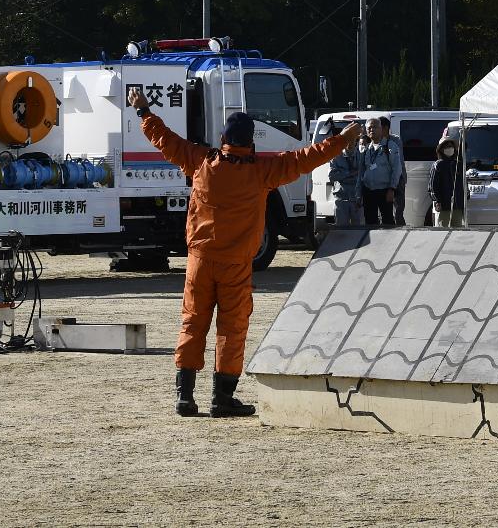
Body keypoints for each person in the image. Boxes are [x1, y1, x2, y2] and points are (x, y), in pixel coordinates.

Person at [127, 86, 358, 418]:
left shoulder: (202, 161)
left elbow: (166, 140)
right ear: (250, 142)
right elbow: (307, 158)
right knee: (232, 330)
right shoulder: (262, 169)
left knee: (192, 324)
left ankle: (184, 397)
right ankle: (222, 398)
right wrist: (342, 140)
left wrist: (144, 111)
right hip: (235, 265)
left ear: (223, 137)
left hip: (200, 261)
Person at [357, 117, 405, 228]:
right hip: (368, 190)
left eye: (375, 127)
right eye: (369, 128)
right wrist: (358, 194)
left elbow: (397, 169)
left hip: (385, 191)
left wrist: (392, 189)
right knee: (370, 223)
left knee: (388, 222)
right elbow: (361, 172)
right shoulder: (366, 149)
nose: (371, 130)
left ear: (381, 129)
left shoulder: (390, 146)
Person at [326, 131, 363, 228]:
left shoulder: (362, 156)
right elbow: (332, 176)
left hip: (357, 199)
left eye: (352, 140)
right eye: (347, 140)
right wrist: (350, 173)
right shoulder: (336, 156)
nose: (350, 143)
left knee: (359, 230)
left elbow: (364, 174)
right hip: (342, 199)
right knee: (341, 231)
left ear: (356, 141)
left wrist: (342, 175)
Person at [429, 133, 464, 228]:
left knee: (458, 232)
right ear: (441, 149)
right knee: (442, 232)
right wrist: (437, 201)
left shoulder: (458, 164)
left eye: (451, 146)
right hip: (444, 206)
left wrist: (465, 197)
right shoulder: (438, 165)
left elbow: (464, 183)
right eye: (447, 146)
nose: (450, 148)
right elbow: (432, 186)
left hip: (457, 206)